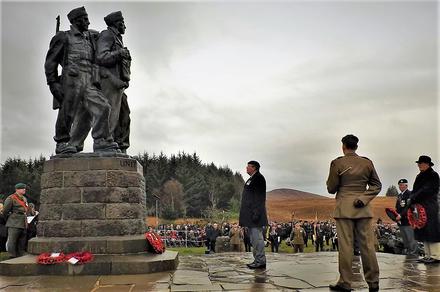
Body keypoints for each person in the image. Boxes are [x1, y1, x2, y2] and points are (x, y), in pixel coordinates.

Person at [45, 6, 119, 154]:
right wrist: (52, 83)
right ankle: (62, 142)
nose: (88, 22)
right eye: (85, 19)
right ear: (76, 21)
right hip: (71, 80)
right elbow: (50, 62)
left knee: (103, 106)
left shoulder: (90, 38)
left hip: (89, 80)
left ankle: (100, 141)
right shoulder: (64, 37)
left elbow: (101, 40)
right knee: (67, 112)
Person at [327, 134, 381, 292]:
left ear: (343, 146)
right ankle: (373, 282)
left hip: (344, 209)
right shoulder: (367, 163)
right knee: (368, 246)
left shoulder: (337, 163)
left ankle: (345, 281)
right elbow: (376, 185)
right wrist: (364, 198)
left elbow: (331, 188)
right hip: (363, 209)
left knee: (346, 247)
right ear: (356, 146)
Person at [71, 11, 132, 153]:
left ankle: (111, 143)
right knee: (108, 111)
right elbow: (101, 57)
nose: (125, 26)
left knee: (120, 113)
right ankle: (104, 142)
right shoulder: (108, 34)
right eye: (122, 22)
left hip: (116, 83)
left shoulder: (116, 38)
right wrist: (120, 53)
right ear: (117, 23)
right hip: (107, 81)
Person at [409, 155, 440, 263]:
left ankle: (436, 256)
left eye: (420, 163)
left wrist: (413, 197)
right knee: (424, 230)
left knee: (432, 230)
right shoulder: (419, 176)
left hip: (429, 206)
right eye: (418, 164)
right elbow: (415, 189)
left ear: (427, 164)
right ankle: (427, 255)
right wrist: (411, 198)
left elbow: (427, 190)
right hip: (420, 205)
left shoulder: (433, 175)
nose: (419, 165)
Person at [239, 160, 268, 269]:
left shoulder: (259, 178)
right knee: (253, 240)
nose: (246, 168)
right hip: (250, 216)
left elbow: (259, 198)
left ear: (254, 168)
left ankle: (260, 261)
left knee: (257, 239)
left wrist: (256, 213)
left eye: (248, 166)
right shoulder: (251, 179)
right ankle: (257, 260)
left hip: (255, 216)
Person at [2, 183, 30, 258]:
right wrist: (9, 219)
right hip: (14, 222)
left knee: (22, 239)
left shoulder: (24, 198)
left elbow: (26, 209)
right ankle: (12, 255)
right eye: (22, 188)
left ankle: (21, 253)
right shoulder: (11, 198)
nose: (24, 189)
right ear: (17, 189)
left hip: (23, 221)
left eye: (24, 188)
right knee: (12, 239)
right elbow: (5, 211)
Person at [394, 178, 418, 256]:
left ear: (406, 185)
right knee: (405, 239)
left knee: (411, 238)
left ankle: (413, 254)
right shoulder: (400, 195)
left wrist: (400, 215)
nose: (400, 187)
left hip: (408, 221)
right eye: (399, 185)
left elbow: (408, 207)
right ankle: (408, 253)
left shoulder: (410, 194)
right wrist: (396, 215)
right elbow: (397, 207)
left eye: (402, 185)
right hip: (401, 221)